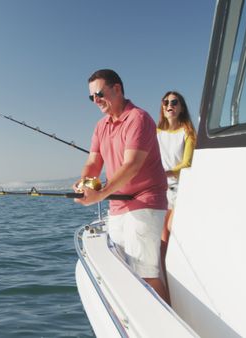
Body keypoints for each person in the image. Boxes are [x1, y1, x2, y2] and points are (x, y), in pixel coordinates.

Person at [73, 69, 169, 303]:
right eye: (91, 97)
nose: (95, 101)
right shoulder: (101, 126)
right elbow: (94, 162)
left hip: (145, 201)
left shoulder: (138, 118)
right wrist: (85, 184)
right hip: (118, 205)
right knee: (124, 270)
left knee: (146, 273)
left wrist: (101, 194)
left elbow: (132, 166)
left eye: (99, 94)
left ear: (117, 89)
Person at [157, 91, 196, 281]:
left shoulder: (187, 132)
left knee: (171, 228)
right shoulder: (156, 133)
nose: (169, 105)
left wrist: (165, 173)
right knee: (162, 238)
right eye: (166, 102)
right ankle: (166, 278)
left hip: (181, 190)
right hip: (161, 190)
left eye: (174, 102)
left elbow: (187, 164)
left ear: (181, 108)